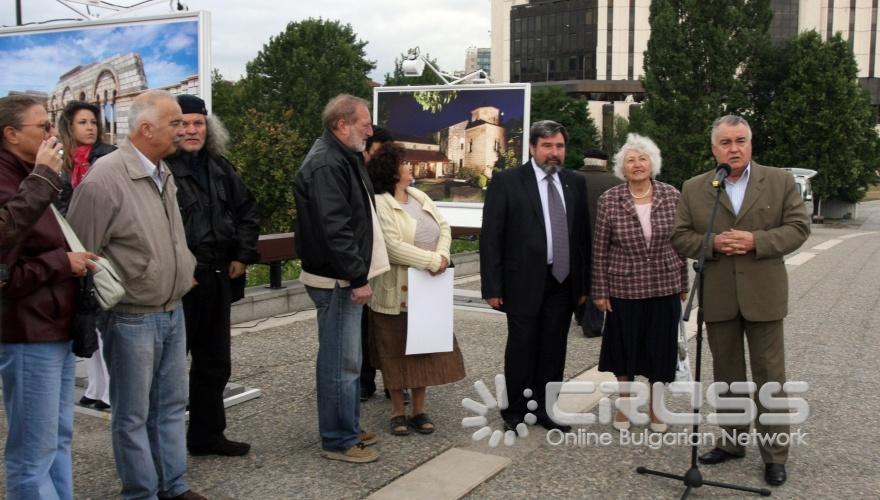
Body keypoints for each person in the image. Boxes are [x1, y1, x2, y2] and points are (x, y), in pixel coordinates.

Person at [67, 90, 205, 500]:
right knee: (131, 415)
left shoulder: (164, 172)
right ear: (146, 129)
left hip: (171, 309)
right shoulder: (105, 179)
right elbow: (81, 248)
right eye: (175, 124)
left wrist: (184, 269)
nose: (183, 131)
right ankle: (141, 493)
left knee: (169, 408)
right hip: (131, 317)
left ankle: (173, 488)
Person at [671, 115, 810, 487]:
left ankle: (774, 455)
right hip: (718, 296)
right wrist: (713, 243)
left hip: (764, 296)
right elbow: (681, 236)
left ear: (751, 144)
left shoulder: (778, 181)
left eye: (741, 141)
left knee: (771, 379)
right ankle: (732, 443)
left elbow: (798, 228)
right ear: (714, 148)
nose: (734, 148)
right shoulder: (696, 187)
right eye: (726, 142)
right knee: (728, 378)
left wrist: (756, 241)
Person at [0, 94, 97, 499]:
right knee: (32, 451)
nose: (50, 133)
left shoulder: (28, 173)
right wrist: (63, 264)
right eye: (42, 126)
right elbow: (7, 269)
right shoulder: (16, 179)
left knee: (57, 437)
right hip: (26, 330)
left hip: (52, 324)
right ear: (10, 134)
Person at [293, 94, 390, 464]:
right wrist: (356, 277)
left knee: (348, 360)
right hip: (336, 281)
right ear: (341, 125)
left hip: (342, 278)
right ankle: (337, 439)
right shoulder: (326, 164)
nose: (370, 130)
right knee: (340, 363)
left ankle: (348, 426)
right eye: (364, 123)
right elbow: (336, 228)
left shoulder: (342, 157)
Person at [480, 120, 589, 433]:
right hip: (522, 281)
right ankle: (514, 411)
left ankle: (545, 408)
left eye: (559, 146)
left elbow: (582, 237)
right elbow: (491, 237)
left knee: (554, 348)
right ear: (532, 148)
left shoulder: (575, 182)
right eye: (547, 146)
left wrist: (583, 284)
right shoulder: (508, 181)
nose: (554, 153)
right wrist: (492, 286)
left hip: (562, 282)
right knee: (522, 347)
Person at [166, 94, 260, 457]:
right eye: (184, 124)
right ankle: (166, 447)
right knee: (171, 372)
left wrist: (242, 254)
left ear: (208, 127)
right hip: (180, 285)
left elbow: (248, 210)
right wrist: (179, 268)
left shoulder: (220, 167)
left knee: (215, 363)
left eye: (198, 123)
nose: (191, 130)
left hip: (217, 278)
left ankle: (207, 436)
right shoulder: (163, 169)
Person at [590, 133, 688, 433]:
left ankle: (657, 410)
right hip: (624, 288)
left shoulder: (672, 195)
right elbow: (600, 248)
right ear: (622, 167)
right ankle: (625, 406)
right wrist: (600, 290)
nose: (637, 165)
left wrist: (683, 283)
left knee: (661, 350)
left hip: (664, 285)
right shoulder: (610, 199)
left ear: (652, 163)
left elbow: (681, 243)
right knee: (624, 350)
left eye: (642, 158)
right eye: (630, 160)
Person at [366, 142, 466, 435]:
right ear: (392, 169)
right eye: (405, 162)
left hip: (428, 289)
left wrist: (443, 256)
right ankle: (398, 412)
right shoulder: (380, 201)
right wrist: (433, 260)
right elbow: (392, 247)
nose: (410, 166)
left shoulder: (419, 195)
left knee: (423, 350)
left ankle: (419, 410)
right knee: (394, 352)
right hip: (396, 291)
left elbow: (443, 227)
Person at [56, 99, 118, 411]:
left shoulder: (106, 157)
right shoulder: (62, 161)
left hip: (100, 248)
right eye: (82, 122)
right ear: (69, 126)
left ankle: (109, 391)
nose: (90, 128)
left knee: (102, 318)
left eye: (93, 122)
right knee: (87, 322)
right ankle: (95, 387)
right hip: (71, 250)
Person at [359, 126, 397, 402]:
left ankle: (393, 382)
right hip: (363, 267)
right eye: (379, 151)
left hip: (390, 268)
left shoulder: (394, 185)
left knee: (389, 329)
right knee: (363, 329)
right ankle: (364, 382)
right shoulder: (357, 178)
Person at [574, 148, 623, 338]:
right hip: (604, 239)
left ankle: (579, 315)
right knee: (597, 280)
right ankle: (592, 324)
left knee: (579, 277)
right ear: (604, 162)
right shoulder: (616, 183)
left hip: (575, 240)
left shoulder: (570, 178)